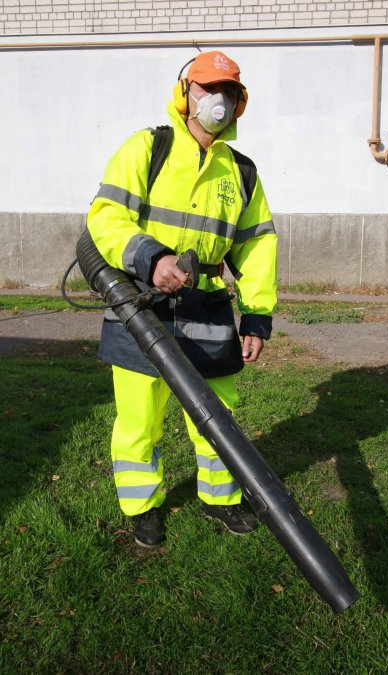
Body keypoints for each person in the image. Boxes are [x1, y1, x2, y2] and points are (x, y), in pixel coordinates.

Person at [87, 50, 277, 547]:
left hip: (208, 307)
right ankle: (142, 507)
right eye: (208, 87)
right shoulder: (147, 148)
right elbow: (105, 217)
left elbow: (256, 245)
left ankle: (220, 498)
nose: (218, 99)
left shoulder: (241, 172)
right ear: (185, 92)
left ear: (239, 103)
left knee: (217, 418)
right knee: (138, 420)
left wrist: (257, 316)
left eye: (228, 91)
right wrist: (150, 258)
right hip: (139, 304)